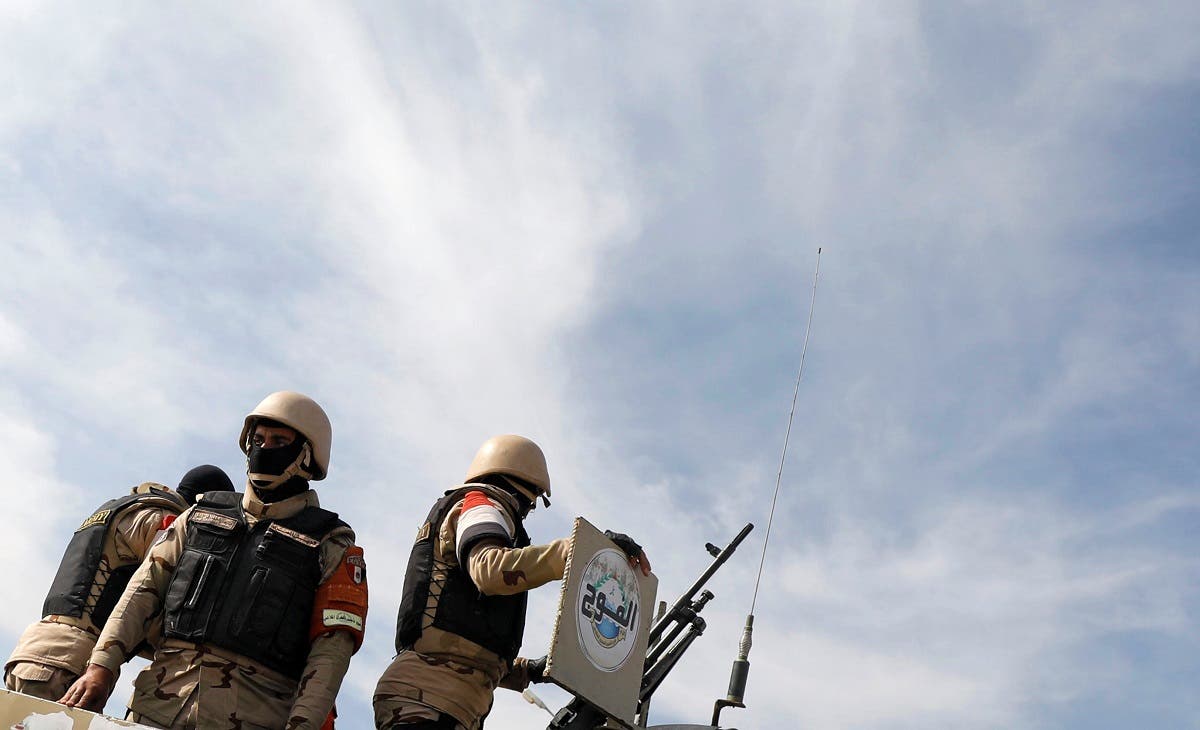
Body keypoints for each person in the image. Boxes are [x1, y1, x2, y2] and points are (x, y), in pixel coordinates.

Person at [60, 391, 369, 730]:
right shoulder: (198, 516)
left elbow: (330, 654)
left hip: (256, 717)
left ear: (308, 456)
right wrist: (101, 668)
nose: (264, 449)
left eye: (279, 441)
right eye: (258, 440)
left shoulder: (332, 544)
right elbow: (142, 592)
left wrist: (303, 725)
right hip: (158, 708)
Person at [373, 434, 650, 730]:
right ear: (525, 491)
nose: (527, 512)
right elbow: (489, 570)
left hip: (443, 702)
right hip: (427, 701)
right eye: (531, 504)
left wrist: (526, 671)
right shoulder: (483, 503)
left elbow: (460, 646)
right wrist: (575, 553)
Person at [3, 469, 229, 702]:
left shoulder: (118, 510)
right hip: (69, 663)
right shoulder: (160, 521)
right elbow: (154, 593)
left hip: (31, 651)